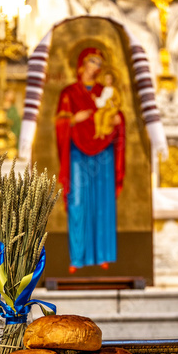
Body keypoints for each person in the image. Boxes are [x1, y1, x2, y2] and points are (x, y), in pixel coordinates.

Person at [55, 47, 125, 272]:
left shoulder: (105, 91)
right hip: (77, 151)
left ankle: (103, 254)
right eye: (92, 61)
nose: (95, 67)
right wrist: (74, 119)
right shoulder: (69, 93)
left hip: (103, 152)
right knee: (78, 202)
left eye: (99, 63)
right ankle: (78, 257)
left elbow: (118, 114)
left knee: (102, 203)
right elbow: (60, 123)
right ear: (82, 63)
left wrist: (118, 121)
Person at [93, 70, 121, 139]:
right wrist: (96, 99)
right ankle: (98, 132)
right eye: (106, 79)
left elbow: (118, 100)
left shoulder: (114, 90)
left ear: (112, 80)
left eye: (109, 79)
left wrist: (112, 102)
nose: (108, 80)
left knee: (107, 115)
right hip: (105, 106)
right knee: (97, 115)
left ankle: (104, 132)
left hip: (112, 107)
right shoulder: (105, 89)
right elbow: (103, 98)